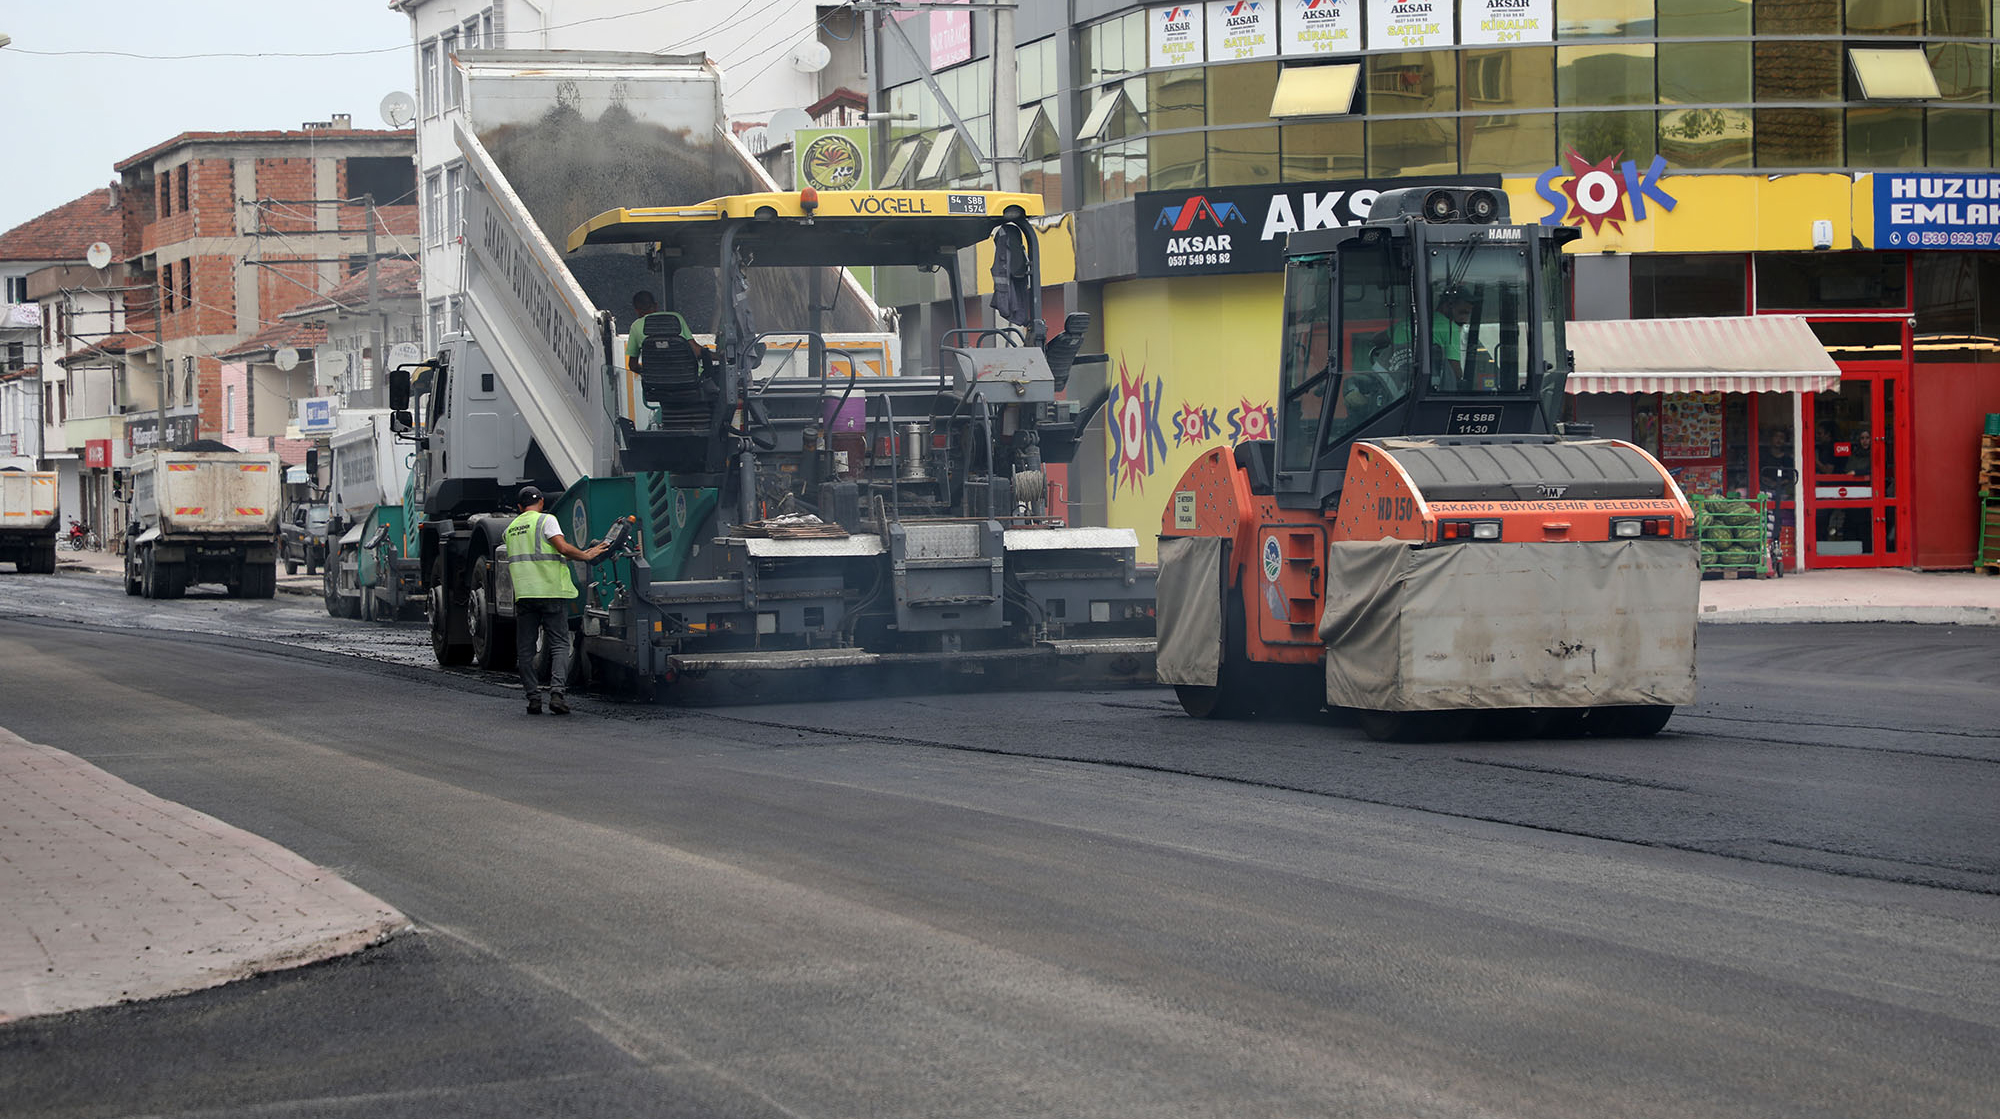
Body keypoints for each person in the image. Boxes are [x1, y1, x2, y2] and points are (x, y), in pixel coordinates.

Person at [504, 485, 608, 715]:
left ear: (520, 507)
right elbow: (561, 547)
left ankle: (533, 699)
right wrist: (586, 555)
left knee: (525, 649)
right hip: (551, 591)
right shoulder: (546, 520)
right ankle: (557, 695)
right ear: (541, 502)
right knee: (560, 644)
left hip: (525, 594)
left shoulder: (510, 529)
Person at [625, 290, 692, 373]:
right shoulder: (675, 318)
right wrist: (710, 355)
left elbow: (633, 365)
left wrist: (650, 373)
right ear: (656, 306)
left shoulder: (635, 326)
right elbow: (695, 350)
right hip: (687, 379)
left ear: (637, 310)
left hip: (655, 382)